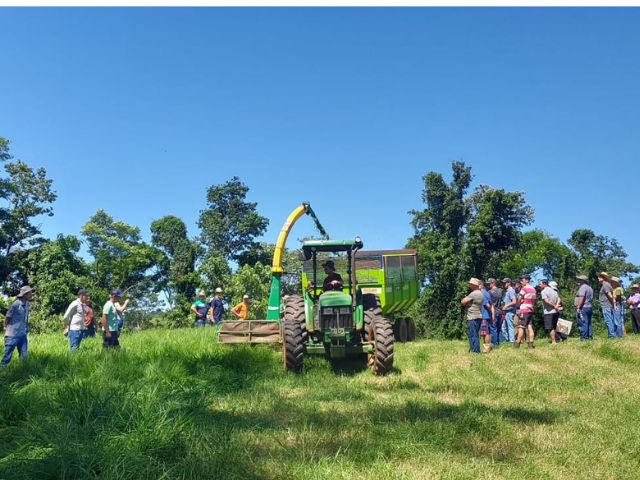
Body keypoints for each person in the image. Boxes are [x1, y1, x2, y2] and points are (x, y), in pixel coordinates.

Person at [2, 286, 34, 366]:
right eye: (30, 293)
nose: (31, 294)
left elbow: (25, 318)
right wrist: (5, 328)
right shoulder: (15, 305)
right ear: (25, 294)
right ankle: (2, 372)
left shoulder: (27, 304)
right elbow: (7, 317)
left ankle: (22, 372)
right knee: (7, 357)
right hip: (12, 335)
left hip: (22, 334)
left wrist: (27, 326)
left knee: (24, 356)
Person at [461, 278, 484, 353]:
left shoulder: (473, 294)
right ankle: (473, 349)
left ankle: (475, 351)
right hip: (479, 316)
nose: (469, 285)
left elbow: (463, 302)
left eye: (470, 284)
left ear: (474, 285)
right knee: (475, 334)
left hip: (472, 317)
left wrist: (465, 299)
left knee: (472, 334)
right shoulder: (481, 293)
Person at [516, 274, 536, 349]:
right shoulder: (533, 289)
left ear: (527, 280)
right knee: (530, 326)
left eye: (522, 280)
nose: (521, 281)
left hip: (524, 309)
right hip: (530, 309)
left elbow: (519, 299)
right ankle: (531, 344)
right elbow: (533, 301)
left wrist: (521, 300)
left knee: (521, 326)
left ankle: (517, 343)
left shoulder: (524, 289)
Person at [539, 279, 559, 344]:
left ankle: (553, 341)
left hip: (548, 312)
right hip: (556, 311)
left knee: (551, 327)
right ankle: (556, 339)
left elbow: (546, 301)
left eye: (540, 284)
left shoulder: (543, 292)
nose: (539, 285)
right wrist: (556, 305)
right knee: (555, 326)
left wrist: (553, 306)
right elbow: (559, 299)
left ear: (544, 284)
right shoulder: (554, 291)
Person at [598, 272, 617, 338]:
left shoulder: (605, 285)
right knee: (610, 320)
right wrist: (614, 304)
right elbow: (613, 293)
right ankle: (612, 334)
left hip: (606, 306)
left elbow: (610, 295)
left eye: (600, 277)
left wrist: (614, 303)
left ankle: (612, 335)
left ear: (604, 278)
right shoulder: (608, 284)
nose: (598, 278)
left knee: (608, 320)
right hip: (608, 305)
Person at [575, 275, 594, 341]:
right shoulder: (590, 288)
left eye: (579, 279)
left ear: (583, 280)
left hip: (583, 307)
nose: (578, 281)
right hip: (589, 307)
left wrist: (578, 307)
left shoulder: (583, 287)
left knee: (583, 322)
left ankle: (584, 338)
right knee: (588, 323)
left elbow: (582, 297)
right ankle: (589, 337)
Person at [501, 278, 517, 344]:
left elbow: (514, 301)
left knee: (510, 327)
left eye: (505, 283)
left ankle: (512, 342)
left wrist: (506, 306)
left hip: (510, 311)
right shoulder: (507, 291)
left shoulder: (511, 290)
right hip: (507, 312)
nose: (504, 284)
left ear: (509, 283)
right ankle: (508, 340)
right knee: (503, 328)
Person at [479, 280, 494, 353]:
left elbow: (487, 305)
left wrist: (490, 312)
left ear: (481, 285)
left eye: (477, 286)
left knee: (486, 333)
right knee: (485, 332)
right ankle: (486, 348)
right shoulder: (487, 292)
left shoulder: (482, 293)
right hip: (487, 315)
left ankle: (486, 349)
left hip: (484, 315)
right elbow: (491, 304)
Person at [488, 278, 503, 346]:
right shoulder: (500, 290)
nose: (488, 285)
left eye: (489, 283)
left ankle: (495, 343)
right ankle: (500, 342)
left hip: (494, 311)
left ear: (493, 283)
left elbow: (490, 304)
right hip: (500, 311)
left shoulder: (490, 292)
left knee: (493, 327)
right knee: (499, 328)